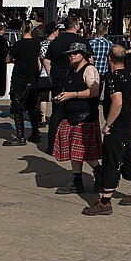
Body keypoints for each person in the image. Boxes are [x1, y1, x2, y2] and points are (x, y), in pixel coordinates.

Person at [83, 44, 131, 215]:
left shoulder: (112, 78)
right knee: (129, 156)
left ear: (109, 59)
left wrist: (108, 124)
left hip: (117, 128)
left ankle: (105, 202)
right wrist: (128, 115)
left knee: (111, 162)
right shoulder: (129, 75)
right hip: (129, 124)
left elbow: (117, 102)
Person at [51, 42, 102, 195]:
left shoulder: (89, 70)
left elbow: (94, 91)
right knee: (75, 152)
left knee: (85, 153)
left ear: (83, 54)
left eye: (75, 53)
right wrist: (62, 97)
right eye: (70, 53)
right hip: (71, 116)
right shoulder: (72, 70)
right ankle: (77, 182)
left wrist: (72, 95)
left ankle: (100, 172)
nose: (71, 55)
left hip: (85, 117)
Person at [43, 16, 88, 156]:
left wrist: (52, 77)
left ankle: (52, 146)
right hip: (76, 80)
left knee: (57, 113)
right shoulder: (81, 41)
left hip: (58, 79)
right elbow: (89, 60)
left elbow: (46, 61)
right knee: (76, 113)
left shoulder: (56, 41)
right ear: (75, 26)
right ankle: (75, 144)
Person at [4, 22, 42, 146]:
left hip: (20, 79)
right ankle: (35, 132)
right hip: (32, 79)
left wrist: (15, 59)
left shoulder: (18, 44)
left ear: (21, 29)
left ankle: (20, 136)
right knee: (32, 107)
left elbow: (7, 59)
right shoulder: (36, 44)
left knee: (17, 108)